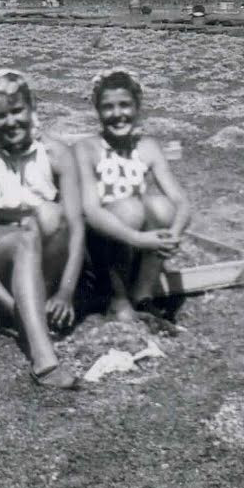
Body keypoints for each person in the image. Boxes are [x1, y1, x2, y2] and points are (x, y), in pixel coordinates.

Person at [0, 69, 85, 389]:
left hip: (45, 263)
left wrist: (67, 291)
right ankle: (44, 362)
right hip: (1, 259)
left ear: (32, 108)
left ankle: (44, 302)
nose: (11, 122)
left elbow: (76, 225)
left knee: (52, 215)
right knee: (27, 235)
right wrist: (11, 306)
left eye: (17, 111)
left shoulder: (57, 154)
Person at [74, 68, 191, 323]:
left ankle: (142, 295)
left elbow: (181, 201)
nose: (118, 114)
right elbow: (91, 211)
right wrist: (137, 238)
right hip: (97, 250)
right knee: (130, 209)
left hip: (136, 246)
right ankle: (116, 301)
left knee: (162, 207)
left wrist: (175, 233)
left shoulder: (148, 148)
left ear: (138, 106)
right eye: (108, 107)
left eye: (125, 105)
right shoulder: (87, 149)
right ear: (97, 110)